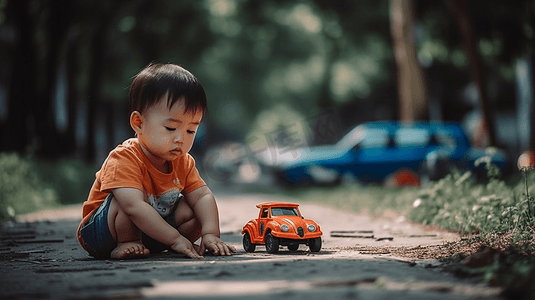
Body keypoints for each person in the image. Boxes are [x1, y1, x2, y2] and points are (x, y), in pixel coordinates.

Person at [77, 63, 236, 259]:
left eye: (190, 130)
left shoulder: (183, 161)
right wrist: (174, 238)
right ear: (139, 123)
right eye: (170, 128)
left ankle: (161, 242)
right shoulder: (125, 157)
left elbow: (202, 196)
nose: (180, 139)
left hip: (150, 232)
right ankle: (128, 242)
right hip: (103, 233)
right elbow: (133, 208)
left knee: (195, 209)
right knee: (125, 201)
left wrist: (210, 233)